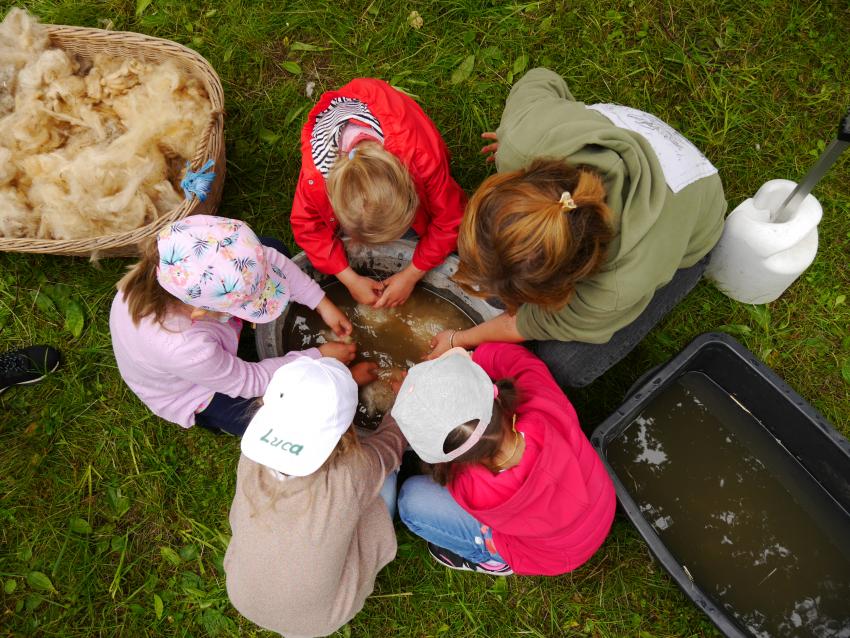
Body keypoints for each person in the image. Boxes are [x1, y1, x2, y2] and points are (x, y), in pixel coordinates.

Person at [429, 67, 727, 387]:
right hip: (628, 132)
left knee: (563, 364)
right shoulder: (524, 141)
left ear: (568, 282)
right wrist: (513, 137)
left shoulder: (615, 286)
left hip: (693, 208)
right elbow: (542, 78)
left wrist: (458, 339)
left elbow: (527, 322)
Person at [109, 215, 355, 435]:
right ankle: (217, 417)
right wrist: (317, 356)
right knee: (274, 422)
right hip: (195, 389)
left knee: (273, 246)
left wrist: (321, 302)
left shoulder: (170, 270)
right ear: (202, 310)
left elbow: (269, 258)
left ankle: (240, 321)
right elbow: (249, 380)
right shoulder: (185, 348)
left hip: (207, 340)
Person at [392, 343, 616, 576]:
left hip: (550, 556)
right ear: (495, 396)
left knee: (413, 502)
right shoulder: (540, 403)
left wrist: (413, 403)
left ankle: (491, 558)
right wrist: (468, 356)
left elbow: (447, 457)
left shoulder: (473, 491)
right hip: (599, 504)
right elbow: (519, 361)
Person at [224, 356, 406, 638]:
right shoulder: (348, 474)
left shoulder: (251, 455)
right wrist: (402, 399)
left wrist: (340, 389)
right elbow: (391, 445)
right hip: (320, 620)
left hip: (242, 595)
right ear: (346, 431)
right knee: (387, 481)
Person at [291, 78, 467, 308]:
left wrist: (412, 274)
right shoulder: (314, 178)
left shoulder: (424, 161)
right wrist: (349, 278)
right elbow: (307, 226)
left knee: (434, 216)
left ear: (411, 188)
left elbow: (451, 218)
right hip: (357, 115)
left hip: (398, 119)